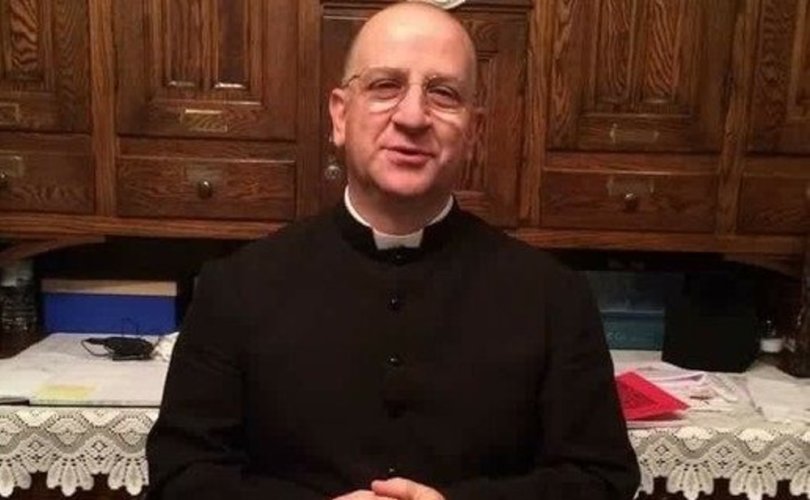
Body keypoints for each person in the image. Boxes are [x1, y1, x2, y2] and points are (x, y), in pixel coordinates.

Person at [146, 2, 640, 499]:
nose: (412, 116)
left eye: (443, 94)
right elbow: (181, 474)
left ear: (474, 132)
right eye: (385, 86)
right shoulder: (235, 288)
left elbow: (602, 480)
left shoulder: (554, 298)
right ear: (340, 115)